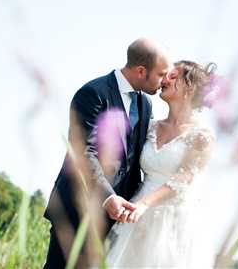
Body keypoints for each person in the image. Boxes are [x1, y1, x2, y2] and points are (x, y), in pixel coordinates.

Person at [43, 38, 170, 268]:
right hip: (76, 213)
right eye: (161, 75)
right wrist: (108, 197)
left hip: (116, 223)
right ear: (142, 71)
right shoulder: (93, 93)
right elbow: (82, 152)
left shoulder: (146, 104)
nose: (163, 82)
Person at [106, 60, 217, 268]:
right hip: (136, 217)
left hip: (173, 223)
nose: (164, 79)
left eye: (173, 76)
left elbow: (184, 179)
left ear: (190, 89)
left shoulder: (202, 135)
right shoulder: (150, 126)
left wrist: (144, 204)